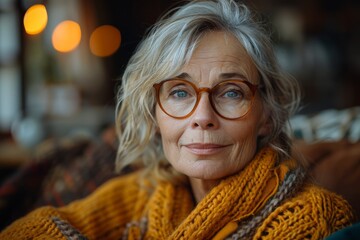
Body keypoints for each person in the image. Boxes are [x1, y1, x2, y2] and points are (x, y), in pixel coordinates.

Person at [0, 0, 355, 239]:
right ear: (155, 113)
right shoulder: (144, 194)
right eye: (180, 92)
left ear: (266, 114)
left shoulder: (310, 220)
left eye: (231, 92)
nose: (202, 117)